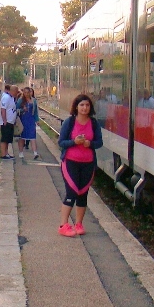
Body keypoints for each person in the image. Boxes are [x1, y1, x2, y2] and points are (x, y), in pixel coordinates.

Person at [57, 94, 103, 236]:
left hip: (88, 164)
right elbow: (61, 142)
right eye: (82, 105)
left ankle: (78, 224)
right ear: (76, 107)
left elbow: (99, 142)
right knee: (72, 192)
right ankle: (63, 225)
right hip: (70, 162)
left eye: (87, 105)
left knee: (83, 193)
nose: (84, 108)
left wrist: (90, 144)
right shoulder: (69, 122)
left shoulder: (94, 123)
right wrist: (74, 142)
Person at [16, 86, 39, 160]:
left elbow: (35, 111)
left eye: (28, 92)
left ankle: (35, 153)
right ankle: (21, 152)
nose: (26, 94)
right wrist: (22, 110)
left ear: (30, 93)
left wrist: (37, 120)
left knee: (33, 136)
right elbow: (16, 109)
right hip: (23, 120)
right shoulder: (20, 100)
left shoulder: (34, 100)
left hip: (31, 120)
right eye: (25, 92)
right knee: (22, 137)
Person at [0, 84, 17, 159]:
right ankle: (3, 154)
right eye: (16, 91)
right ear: (12, 91)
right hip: (6, 122)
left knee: (8, 139)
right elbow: (3, 109)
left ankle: (6, 153)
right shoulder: (6, 97)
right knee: (4, 138)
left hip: (10, 122)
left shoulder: (11, 97)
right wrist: (4, 120)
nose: (17, 93)